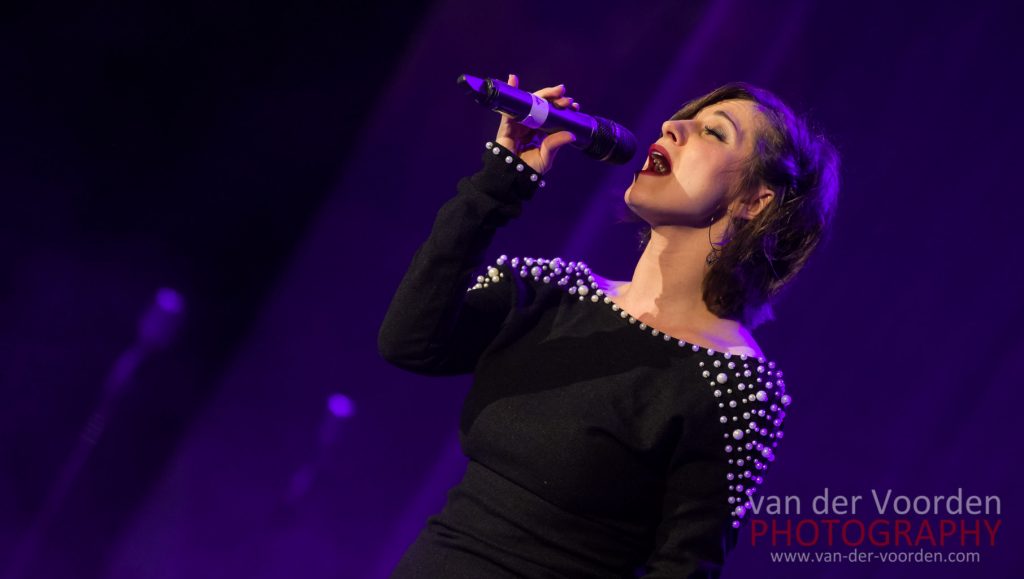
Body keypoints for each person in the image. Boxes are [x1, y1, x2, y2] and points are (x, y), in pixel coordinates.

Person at [378, 73, 839, 578]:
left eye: (714, 131)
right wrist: (498, 182)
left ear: (754, 201)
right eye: (683, 118)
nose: (672, 126)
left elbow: (684, 568)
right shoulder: (551, 290)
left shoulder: (735, 386)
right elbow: (410, 343)